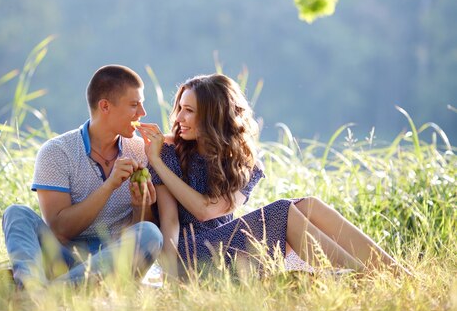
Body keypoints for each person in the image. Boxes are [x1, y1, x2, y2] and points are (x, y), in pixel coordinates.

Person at [136, 73, 409, 278]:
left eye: (189, 111)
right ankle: (364, 277)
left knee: (308, 204)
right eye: (180, 108)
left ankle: (393, 271)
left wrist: (157, 162)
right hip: (191, 257)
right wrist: (173, 276)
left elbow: (210, 210)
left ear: (212, 117)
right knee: (283, 210)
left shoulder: (243, 163)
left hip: (228, 248)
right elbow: (171, 221)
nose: (179, 117)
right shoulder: (169, 154)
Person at [2, 65, 163, 289]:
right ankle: (35, 285)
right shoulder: (57, 152)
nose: (142, 113)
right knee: (16, 213)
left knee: (151, 233)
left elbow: (140, 231)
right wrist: (109, 186)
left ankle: (40, 295)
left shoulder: (140, 151)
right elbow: (59, 230)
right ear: (105, 106)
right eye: (134, 105)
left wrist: (141, 206)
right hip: (64, 258)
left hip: (112, 260)